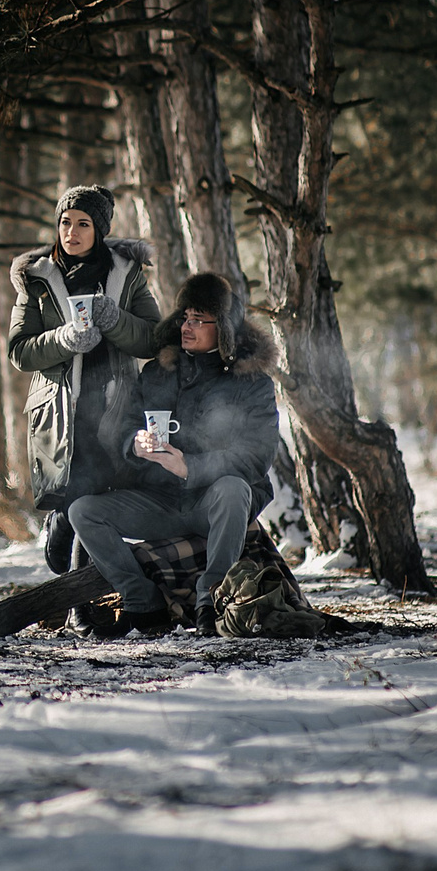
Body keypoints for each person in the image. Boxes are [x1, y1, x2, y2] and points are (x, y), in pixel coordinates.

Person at [68, 271, 281, 635]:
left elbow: (256, 455)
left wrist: (190, 467)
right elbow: (126, 425)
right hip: (159, 501)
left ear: (225, 327)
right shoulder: (157, 373)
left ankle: (209, 599)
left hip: (211, 504)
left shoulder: (251, 382)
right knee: (83, 512)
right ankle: (142, 602)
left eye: (199, 319)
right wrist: (133, 444)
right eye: (185, 316)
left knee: (234, 488)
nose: (188, 325)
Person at [7, 184, 165, 585]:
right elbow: (20, 352)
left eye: (82, 223)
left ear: (100, 229)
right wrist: (63, 340)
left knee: (97, 496)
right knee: (74, 502)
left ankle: (84, 604)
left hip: (116, 406)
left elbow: (152, 340)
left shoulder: (127, 273)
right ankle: (61, 534)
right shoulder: (36, 278)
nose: (71, 232)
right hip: (61, 412)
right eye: (64, 222)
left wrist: (116, 321)